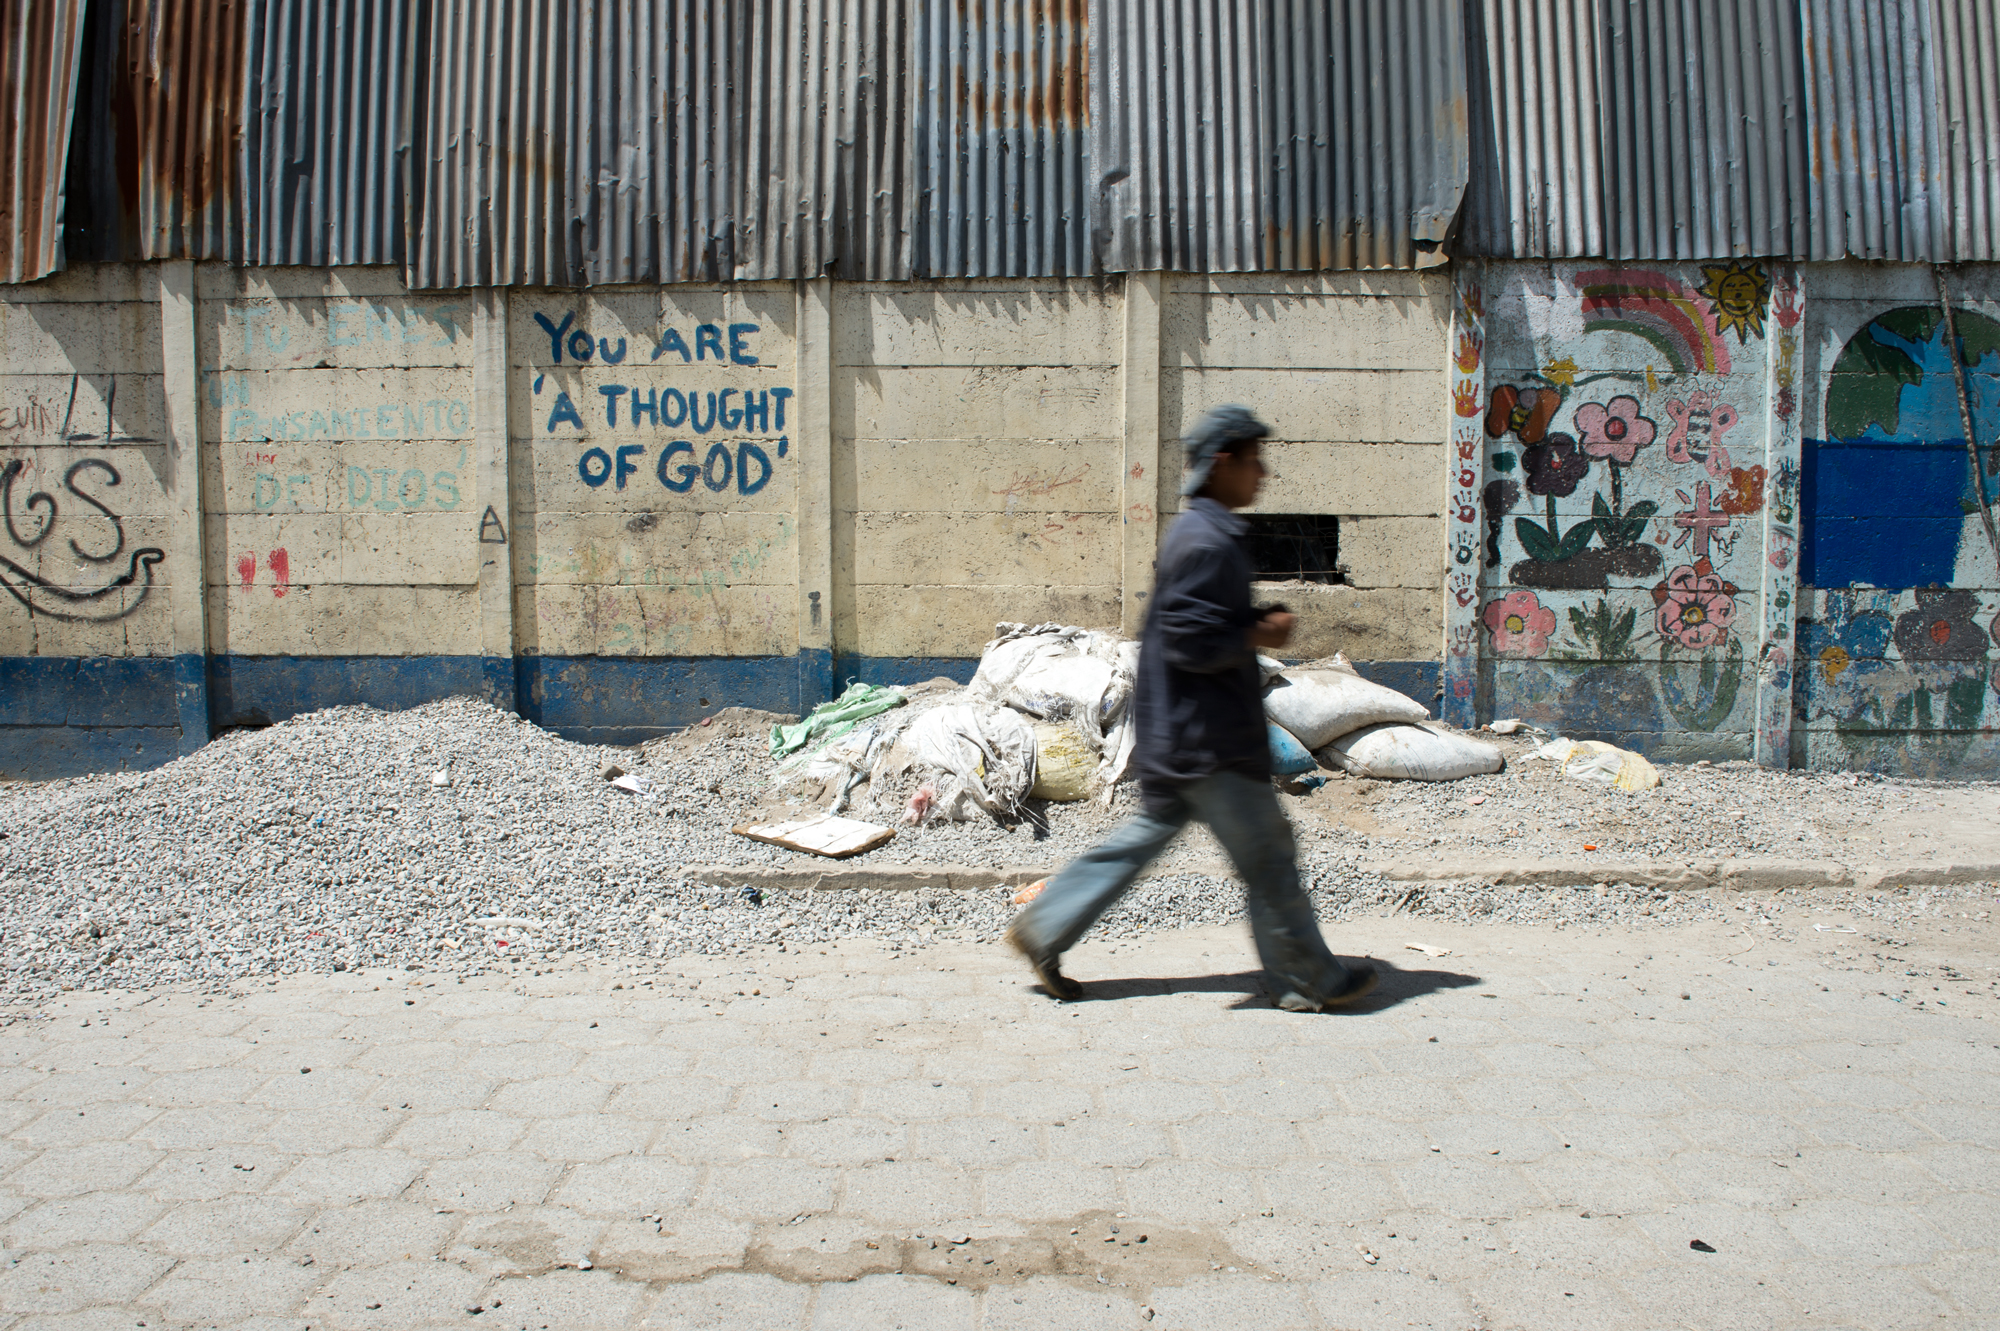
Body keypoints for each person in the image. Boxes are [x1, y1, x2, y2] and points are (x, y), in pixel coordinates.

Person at [1005, 405, 1377, 1011]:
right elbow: (1190, 641)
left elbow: (1193, 628)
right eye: (1255, 459)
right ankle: (1310, 977)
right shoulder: (1207, 540)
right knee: (1270, 857)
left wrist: (1249, 624)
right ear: (1224, 461)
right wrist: (1261, 632)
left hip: (1182, 734)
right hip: (1211, 742)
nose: (1263, 473)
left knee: (1142, 840)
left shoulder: (1201, 532)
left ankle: (1045, 926)